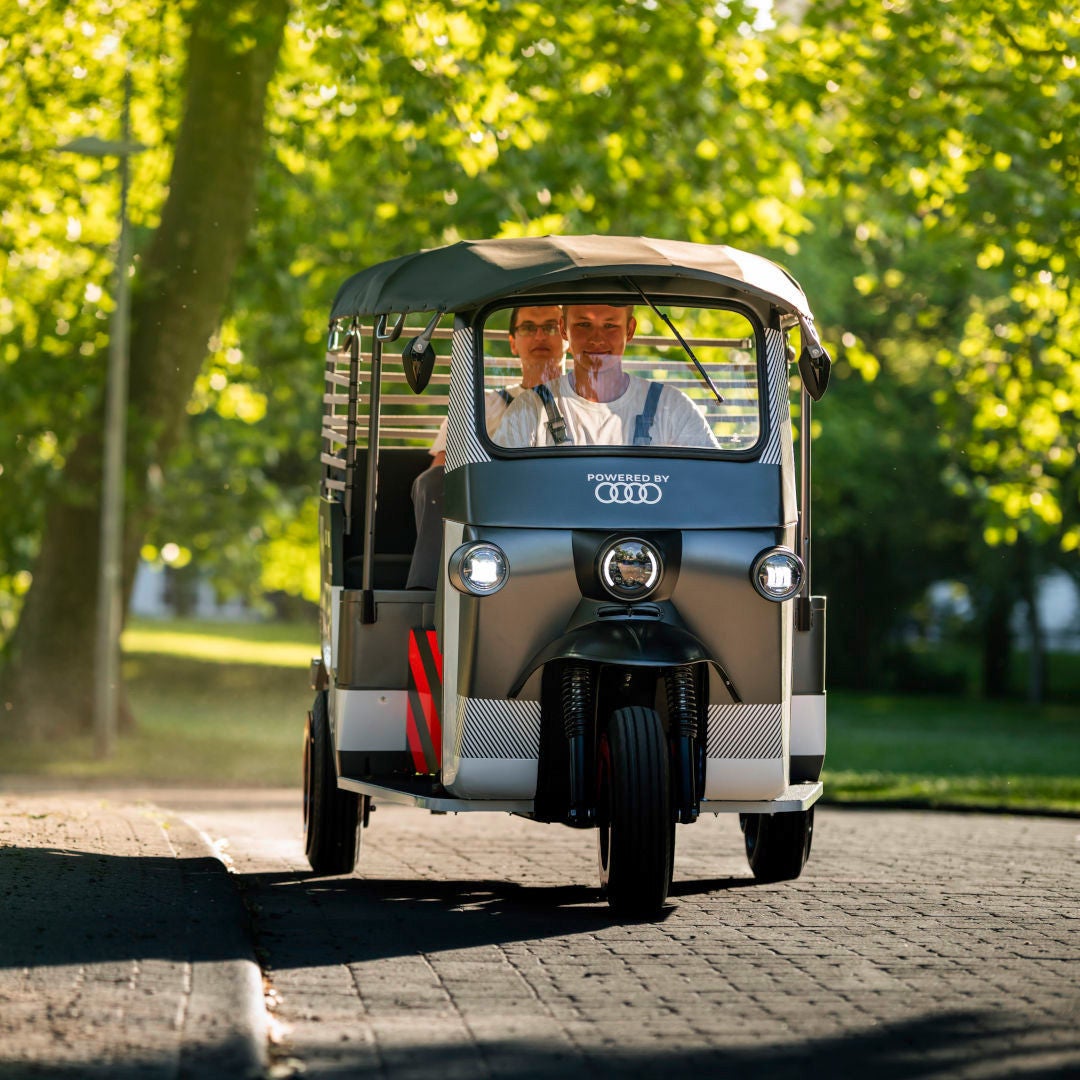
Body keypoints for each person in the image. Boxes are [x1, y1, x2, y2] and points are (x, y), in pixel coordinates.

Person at [406, 305, 568, 589]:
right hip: (489, 527)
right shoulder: (479, 406)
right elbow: (439, 477)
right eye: (529, 327)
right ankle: (429, 599)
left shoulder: (593, 408)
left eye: (551, 327)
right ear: (512, 342)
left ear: (567, 336)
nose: (540, 336)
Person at [493, 304, 718, 449]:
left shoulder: (671, 407)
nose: (597, 339)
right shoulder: (530, 409)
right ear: (564, 329)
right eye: (583, 325)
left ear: (629, 330)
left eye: (610, 325)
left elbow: (711, 483)